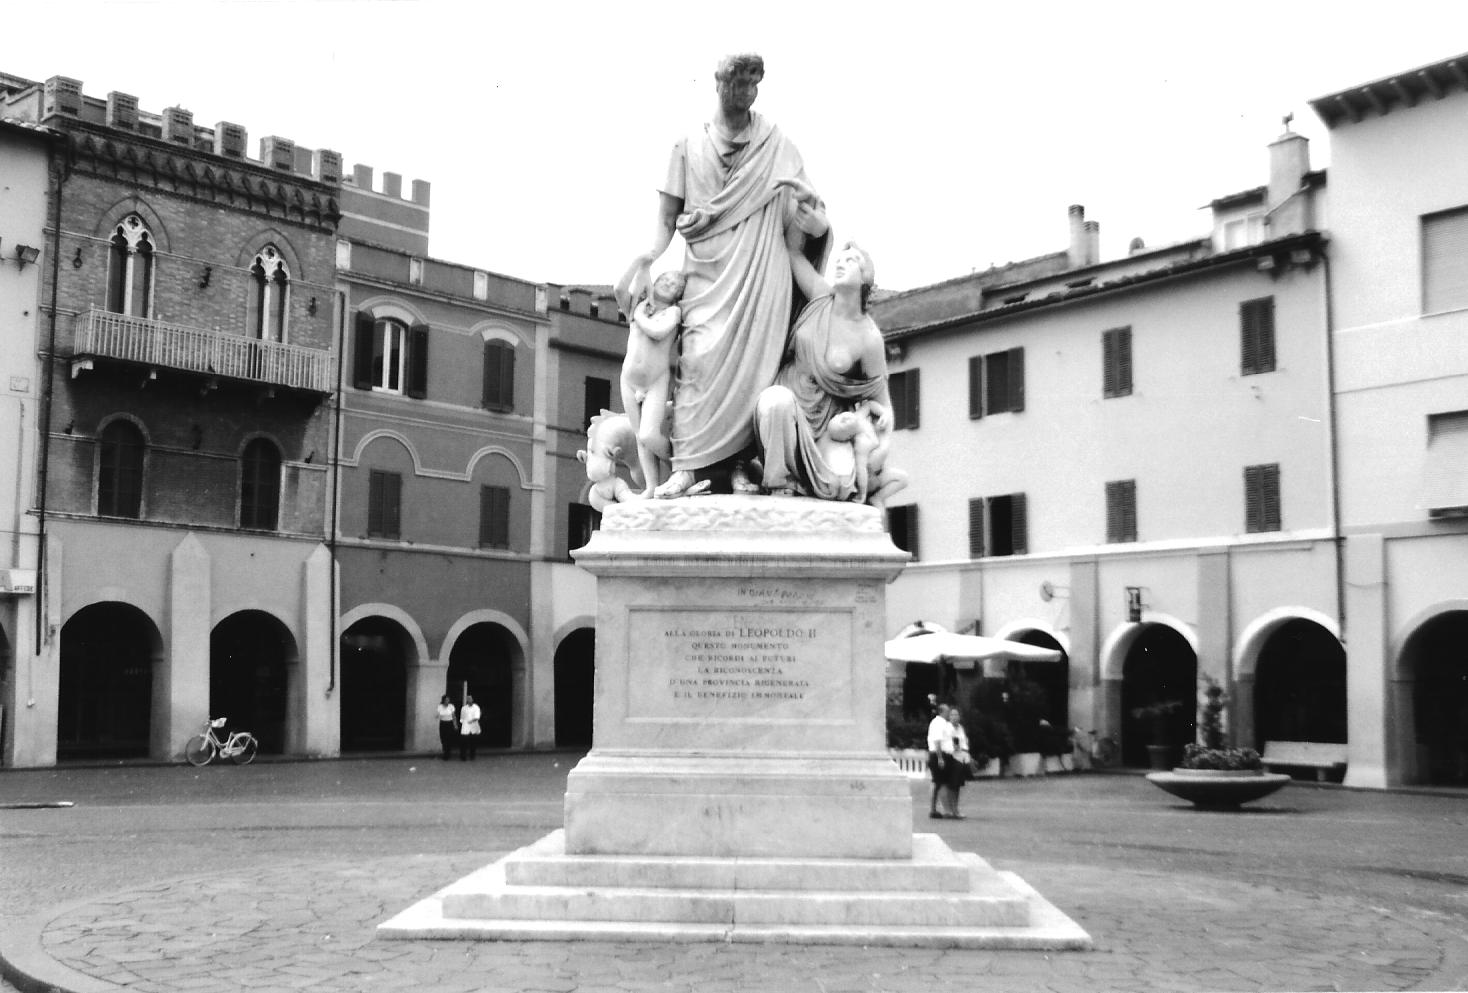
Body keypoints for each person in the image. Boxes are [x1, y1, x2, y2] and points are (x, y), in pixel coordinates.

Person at [633, 52, 830, 498]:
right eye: (735, 85)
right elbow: (666, 220)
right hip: (705, 274)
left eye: (752, 86)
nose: (744, 94)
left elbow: (810, 223)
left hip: (762, 276)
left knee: (755, 373)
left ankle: (741, 465)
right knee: (697, 360)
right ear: (718, 85)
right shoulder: (686, 145)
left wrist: (814, 217)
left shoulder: (777, 145)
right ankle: (687, 467)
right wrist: (645, 258)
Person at [755, 238, 908, 505]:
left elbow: (884, 403)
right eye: (839, 259)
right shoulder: (819, 295)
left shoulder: (869, 338)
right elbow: (791, 250)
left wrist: (880, 446)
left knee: (836, 486)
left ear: (865, 278)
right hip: (789, 405)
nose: (841, 263)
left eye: (851, 261)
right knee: (774, 401)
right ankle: (778, 486)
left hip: (830, 422)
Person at [613, 258, 687, 496]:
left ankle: (681, 467)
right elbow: (618, 289)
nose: (669, 283)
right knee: (639, 437)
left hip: (655, 380)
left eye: (675, 284)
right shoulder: (641, 304)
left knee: (649, 434)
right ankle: (651, 486)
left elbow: (658, 332)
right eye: (665, 278)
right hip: (629, 379)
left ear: (678, 295)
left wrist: (639, 315)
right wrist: (640, 263)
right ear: (654, 282)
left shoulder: (673, 313)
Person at [926, 703, 955, 819]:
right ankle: (944, 810)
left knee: (938, 782)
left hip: (942, 754)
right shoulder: (938, 723)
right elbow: (937, 741)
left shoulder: (944, 723)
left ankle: (935, 809)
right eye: (947, 712)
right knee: (941, 782)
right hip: (938, 754)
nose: (949, 714)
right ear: (942, 712)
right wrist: (940, 758)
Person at [946, 706, 972, 820]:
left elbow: (964, 743)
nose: (954, 717)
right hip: (952, 758)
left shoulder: (961, 728)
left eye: (956, 715)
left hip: (961, 758)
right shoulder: (947, 728)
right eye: (952, 715)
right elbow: (949, 744)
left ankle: (955, 809)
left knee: (958, 785)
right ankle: (951, 809)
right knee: (951, 785)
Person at [458, 694, 482, 762]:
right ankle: (463, 756)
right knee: (464, 742)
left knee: (473, 742)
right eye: (468, 699)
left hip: (474, 726)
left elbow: (477, 717)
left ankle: (472, 755)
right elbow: (462, 717)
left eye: (470, 699)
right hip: (465, 726)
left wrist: (470, 721)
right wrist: (463, 723)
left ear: (472, 700)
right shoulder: (464, 708)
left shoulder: (476, 707)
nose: (469, 700)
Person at [436, 694, 458, 761]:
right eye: (446, 699)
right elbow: (439, 715)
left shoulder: (451, 706)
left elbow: (454, 716)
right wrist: (437, 716)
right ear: (443, 700)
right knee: (443, 739)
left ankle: (447, 754)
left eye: (448, 699)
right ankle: (445, 753)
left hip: (449, 723)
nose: (447, 701)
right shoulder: (440, 706)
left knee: (449, 739)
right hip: (443, 724)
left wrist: (455, 724)